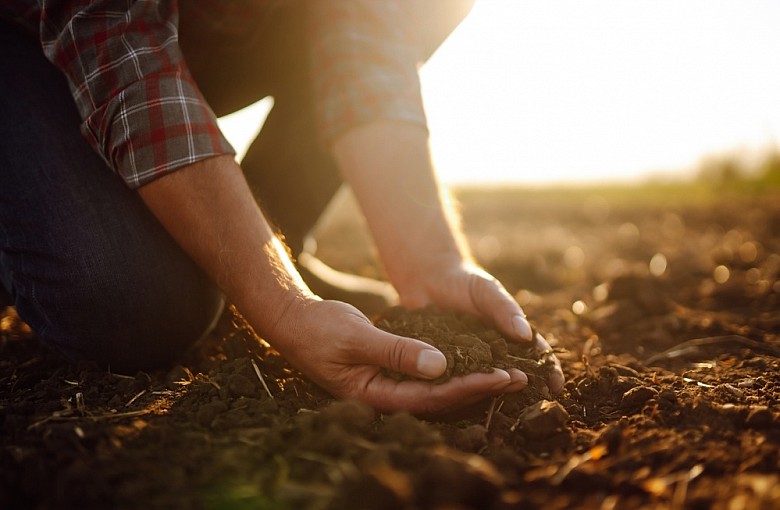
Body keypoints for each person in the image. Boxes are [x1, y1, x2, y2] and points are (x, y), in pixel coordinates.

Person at [0, 0, 563, 414]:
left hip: (194, 28)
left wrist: (433, 263)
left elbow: (363, 40)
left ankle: (269, 246)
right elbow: (123, 53)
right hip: (30, 42)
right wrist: (286, 309)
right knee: (136, 304)